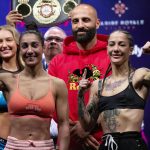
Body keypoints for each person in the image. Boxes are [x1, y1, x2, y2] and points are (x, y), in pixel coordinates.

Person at [48, 3, 110, 150]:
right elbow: (50, 101)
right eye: (75, 21)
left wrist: (86, 127)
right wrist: (74, 130)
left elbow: (115, 97)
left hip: (101, 142)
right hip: (67, 141)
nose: (80, 25)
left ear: (97, 23)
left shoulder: (111, 56)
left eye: (86, 20)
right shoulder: (57, 61)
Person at [0, 22, 69, 150]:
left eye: (35, 45)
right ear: (19, 49)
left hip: (45, 146)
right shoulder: (7, 80)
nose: (30, 51)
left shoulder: (57, 84)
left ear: (43, 48)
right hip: (13, 146)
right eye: (25, 46)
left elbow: (64, 123)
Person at [78, 29, 150, 150]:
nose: (116, 49)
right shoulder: (98, 85)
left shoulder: (139, 76)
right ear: (107, 49)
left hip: (132, 145)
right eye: (112, 44)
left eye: (121, 44)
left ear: (131, 50)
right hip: (106, 145)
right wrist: (80, 96)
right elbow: (87, 126)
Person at [0, 25, 24, 150]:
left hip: (27, 143)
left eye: (8, 40)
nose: (4, 45)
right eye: (0, 41)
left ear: (17, 43)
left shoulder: (30, 73)